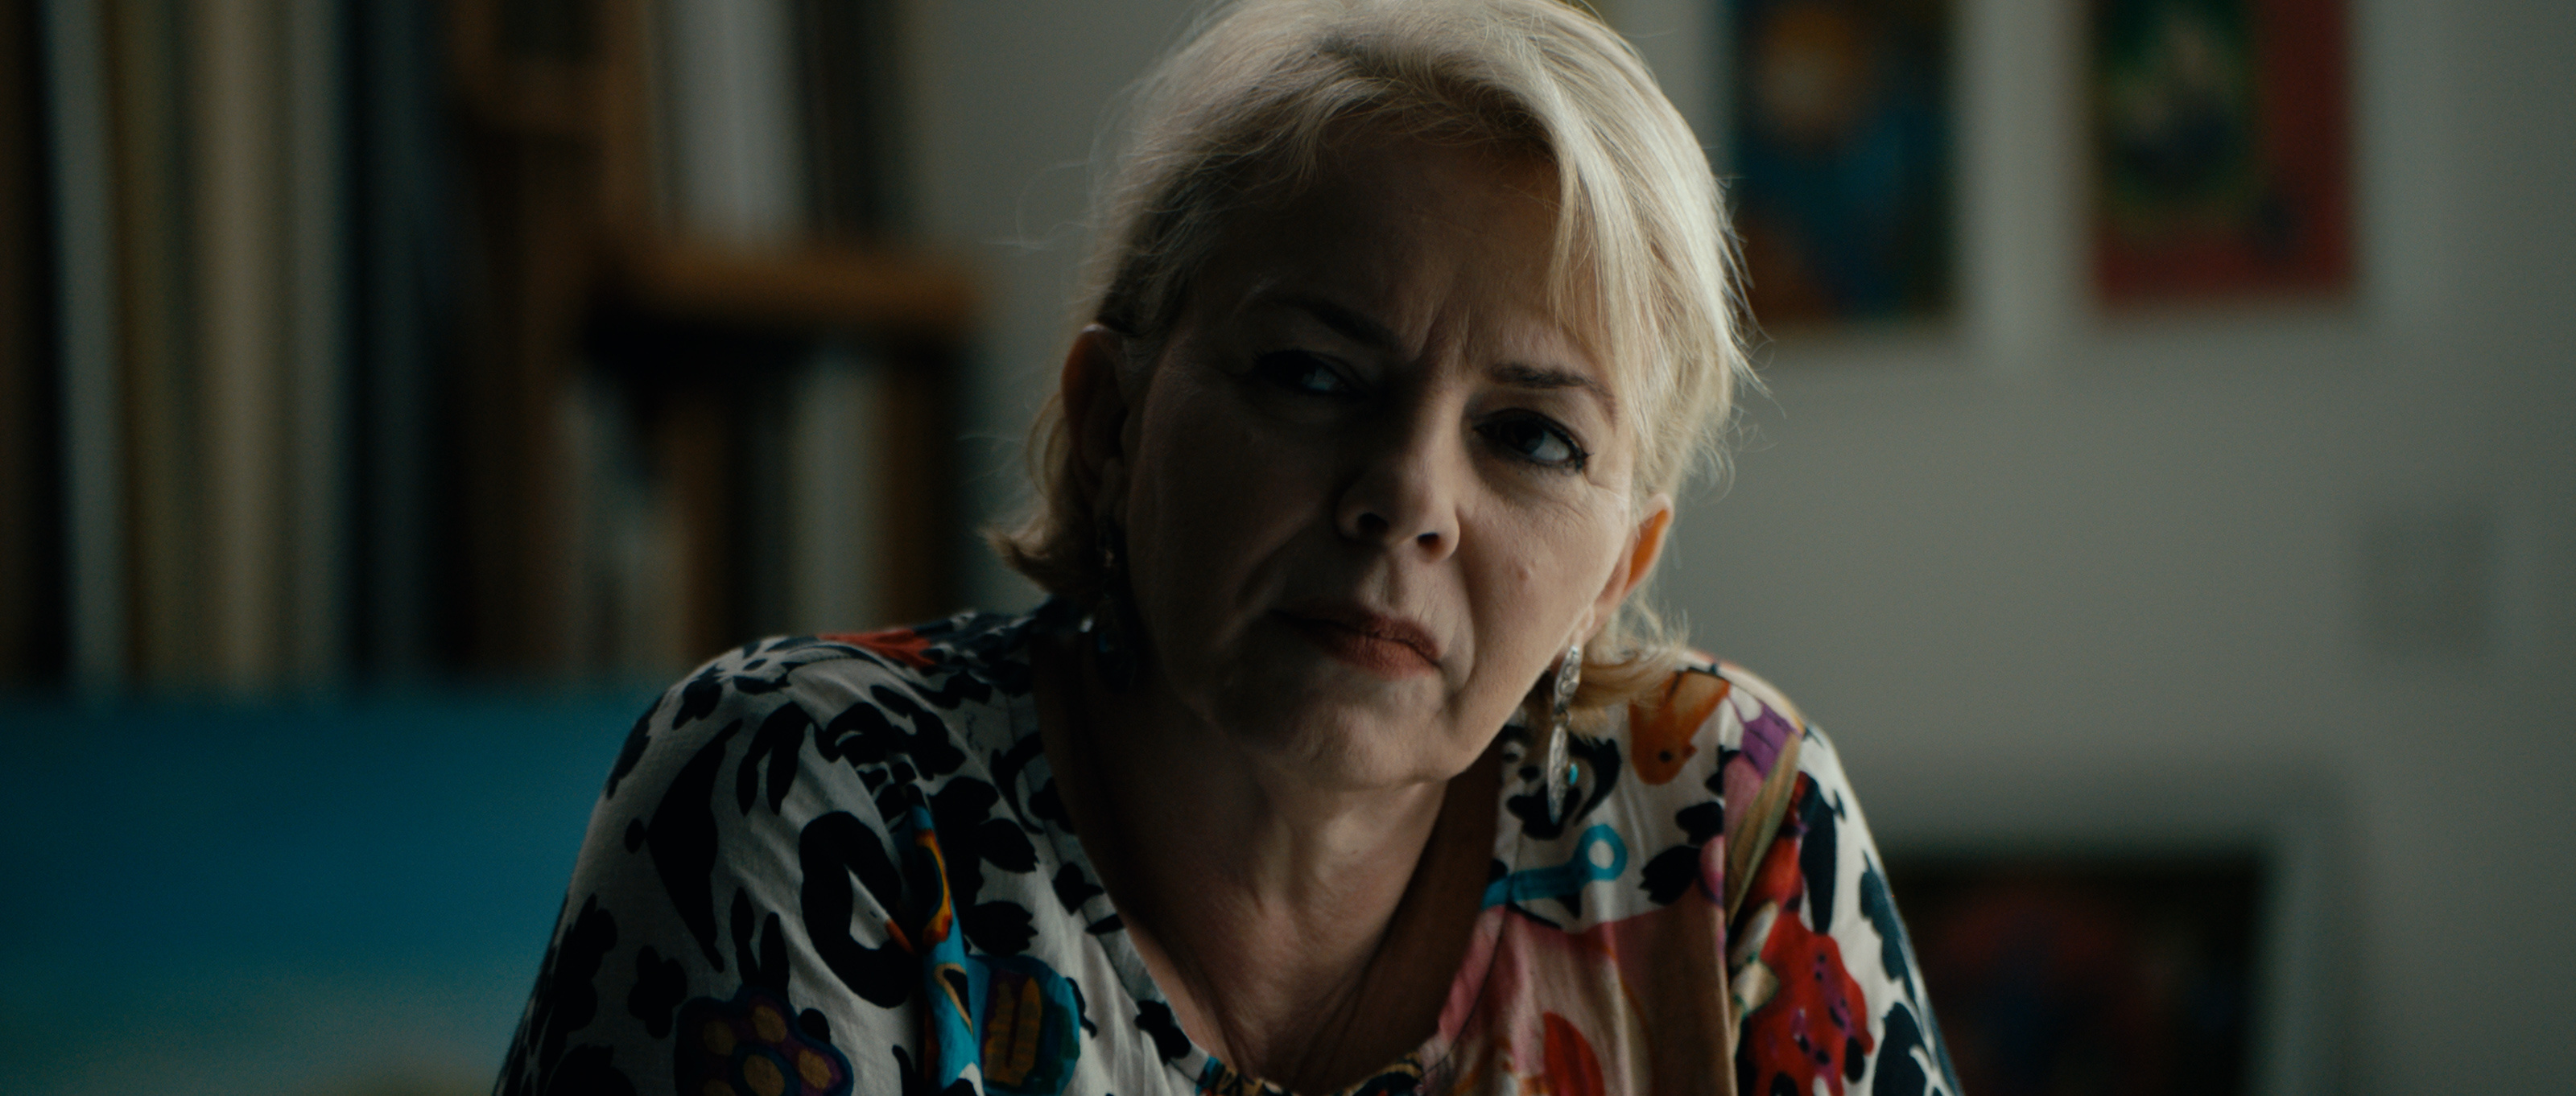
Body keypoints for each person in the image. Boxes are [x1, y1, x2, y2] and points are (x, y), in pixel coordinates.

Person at [495, 2, 1958, 1094]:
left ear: (1618, 571)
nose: (1408, 495)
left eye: (1531, 436)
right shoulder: (806, 800)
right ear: (1112, 421)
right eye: (1314, 374)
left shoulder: (1728, 832)